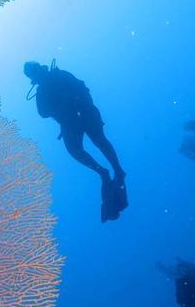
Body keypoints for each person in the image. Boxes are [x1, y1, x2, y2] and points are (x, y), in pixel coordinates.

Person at [23, 61, 127, 222]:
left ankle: (118, 170)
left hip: (85, 112)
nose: (36, 75)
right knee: (75, 151)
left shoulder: (59, 74)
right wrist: (60, 109)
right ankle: (103, 172)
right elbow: (42, 113)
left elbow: (82, 87)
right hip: (69, 123)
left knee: (99, 140)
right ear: (32, 78)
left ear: (40, 68)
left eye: (35, 71)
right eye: (32, 74)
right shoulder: (41, 92)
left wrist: (77, 102)